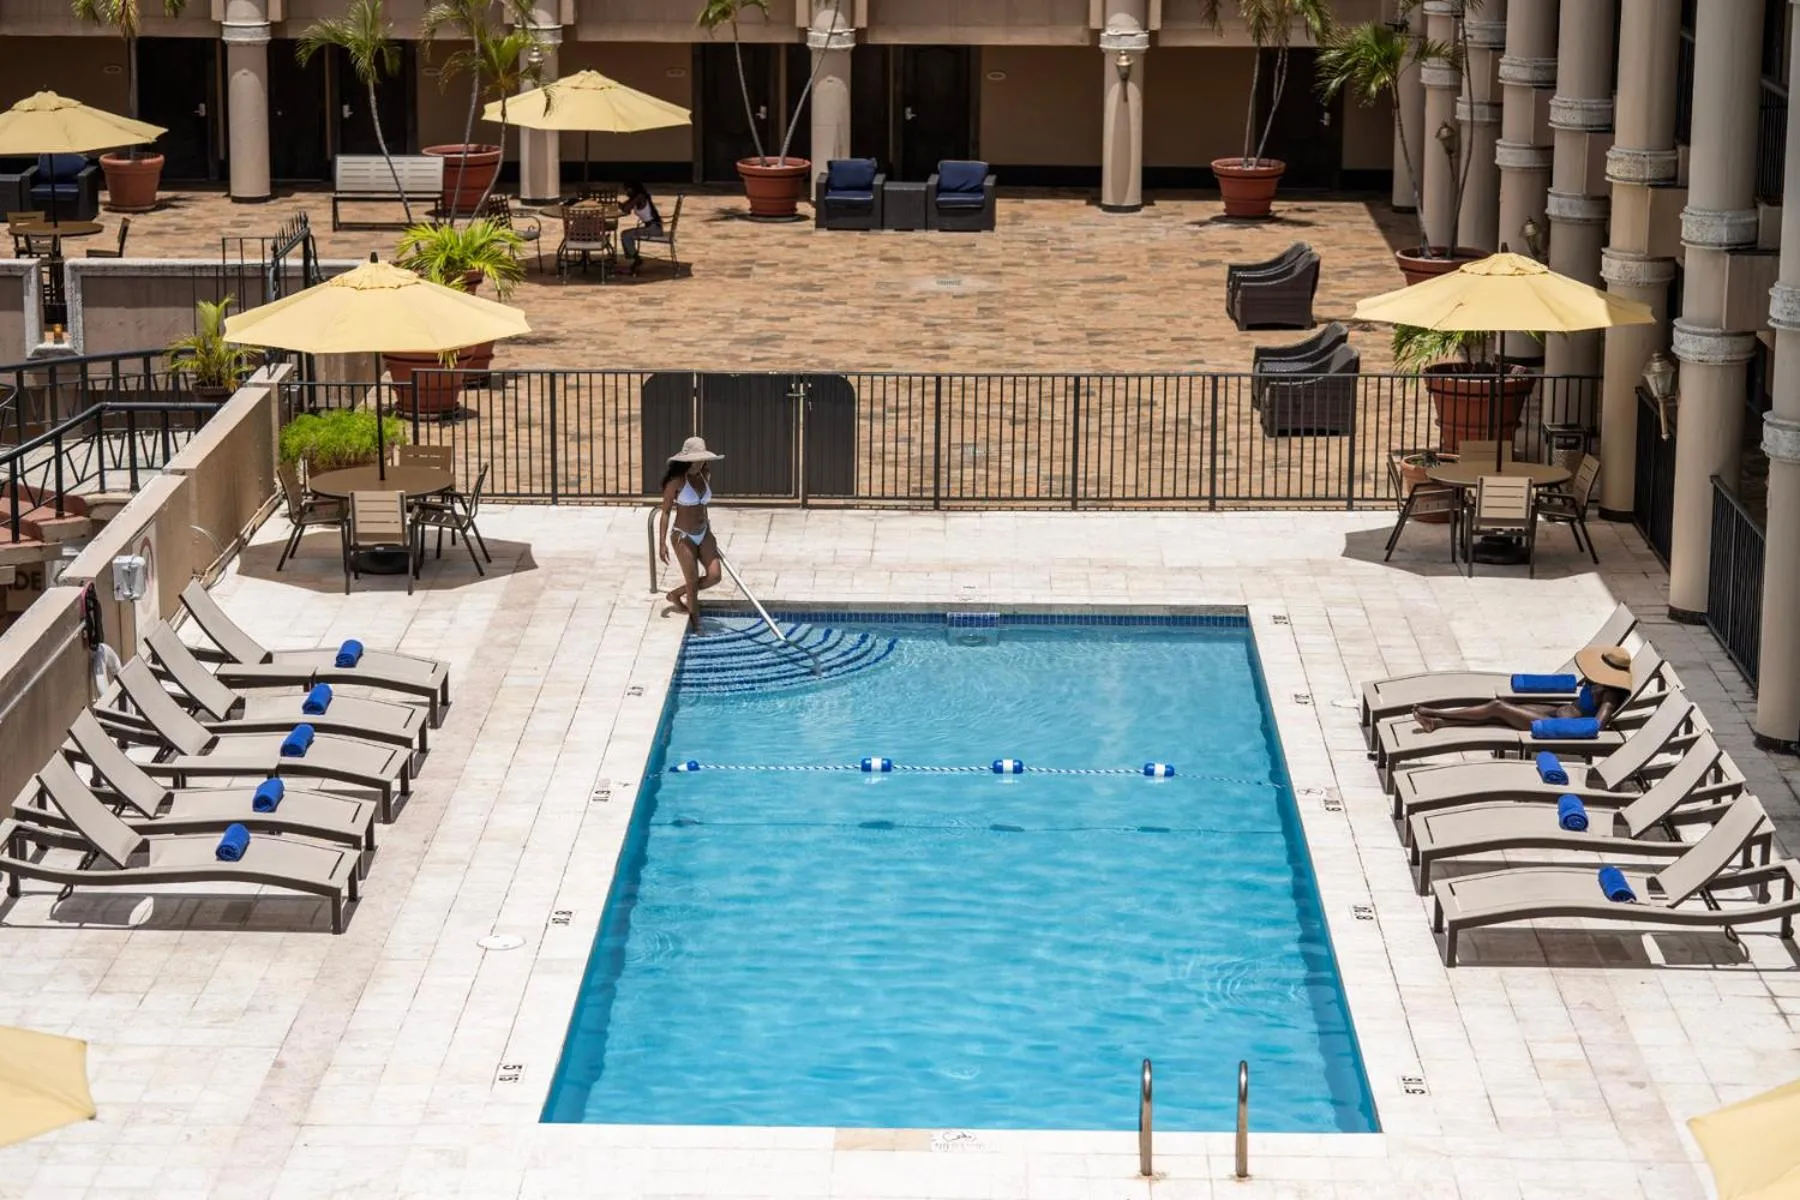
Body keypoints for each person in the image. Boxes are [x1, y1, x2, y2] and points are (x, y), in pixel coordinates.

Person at [1411, 645, 1635, 733]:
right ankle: (1438, 723)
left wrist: (1567, 729)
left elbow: (1598, 725)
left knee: (1497, 707)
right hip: (1556, 711)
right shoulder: (1597, 682)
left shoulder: (1610, 694)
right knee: (1500, 714)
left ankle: (1437, 713)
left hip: (1555, 725)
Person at [658, 436, 723, 632]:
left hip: (703, 532)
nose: (702, 461)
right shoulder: (676, 482)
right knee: (693, 582)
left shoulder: (705, 474)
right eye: (698, 458)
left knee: (715, 576)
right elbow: (666, 511)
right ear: (689, 459)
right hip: (683, 536)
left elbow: (703, 506)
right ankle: (697, 625)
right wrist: (661, 543)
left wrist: (708, 531)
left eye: (703, 458)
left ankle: (676, 594)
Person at [618, 182, 662, 275]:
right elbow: (624, 206)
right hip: (650, 226)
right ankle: (634, 258)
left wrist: (624, 206)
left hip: (653, 228)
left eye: (627, 189)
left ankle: (636, 259)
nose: (626, 192)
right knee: (626, 234)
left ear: (633, 189)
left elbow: (626, 209)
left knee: (625, 235)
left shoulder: (640, 197)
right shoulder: (636, 197)